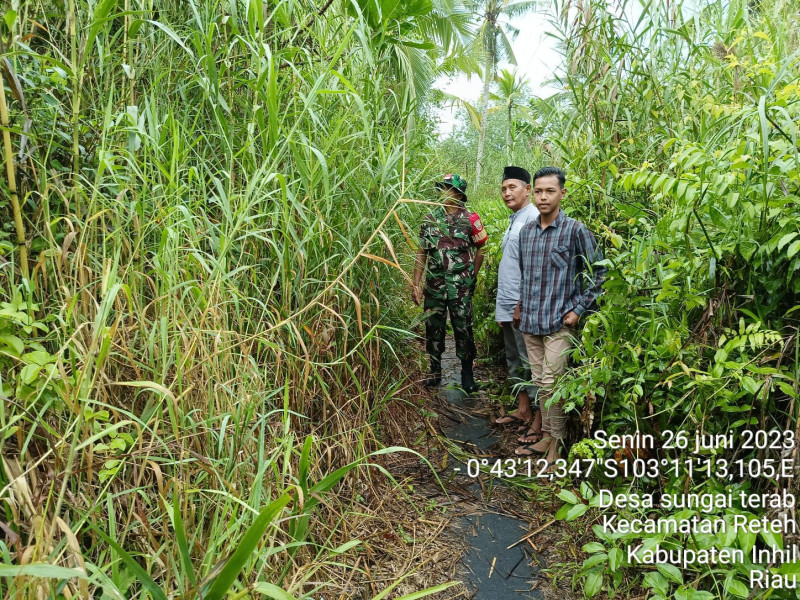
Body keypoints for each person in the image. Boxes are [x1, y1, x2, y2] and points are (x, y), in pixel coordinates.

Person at [513, 167, 606, 466]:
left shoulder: (575, 230)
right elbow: (526, 276)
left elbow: (599, 272)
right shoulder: (527, 232)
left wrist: (579, 310)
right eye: (538, 191)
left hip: (558, 322)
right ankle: (547, 438)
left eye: (549, 191)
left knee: (554, 384)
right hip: (531, 321)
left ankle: (557, 443)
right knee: (541, 382)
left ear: (562, 193)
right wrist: (519, 305)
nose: (543, 197)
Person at [412, 173, 487, 393]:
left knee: (463, 328)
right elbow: (421, 252)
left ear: (458, 194)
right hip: (434, 286)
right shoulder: (430, 219)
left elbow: (482, 247)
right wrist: (415, 283)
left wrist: (472, 274)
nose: (442, 192)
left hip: (461, 288)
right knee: (433, 328)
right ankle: (435, 371)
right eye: (442, 187)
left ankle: (467, 374)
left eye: (447, 188)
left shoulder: (471, 219)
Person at [492, 166, 542, 441]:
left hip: (522, 306)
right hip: (508, 303)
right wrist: (504, 307)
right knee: (514, 360)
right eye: (503, 188)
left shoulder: (534, 217)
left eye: (512, 187)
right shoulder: (515, 219)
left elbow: (534, 267)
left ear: (527, 190)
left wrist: (522, 303)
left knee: (530, 361)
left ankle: (538, 420)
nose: (507, 193)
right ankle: (523, 410)